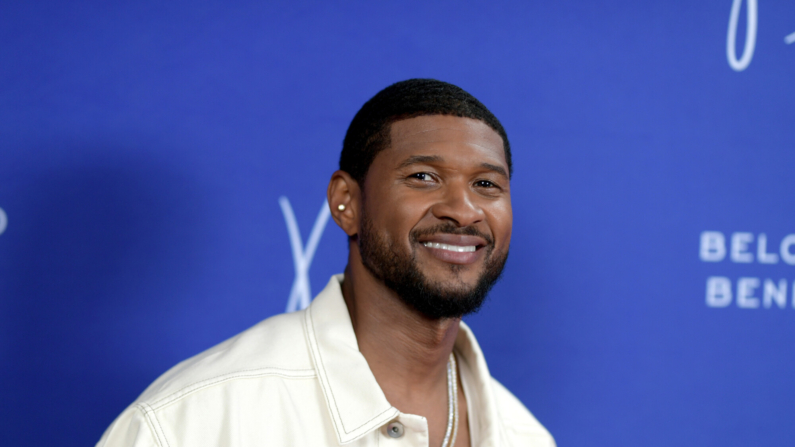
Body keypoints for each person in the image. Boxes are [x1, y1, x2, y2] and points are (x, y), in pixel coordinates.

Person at [97, 79, 555, 447]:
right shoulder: (191, 423)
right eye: (423, 177)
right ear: (346, 203)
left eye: (487, 185)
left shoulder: (526, 436)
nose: (462, 208)